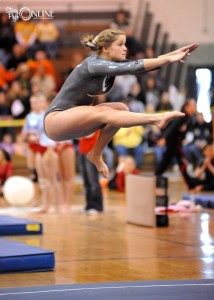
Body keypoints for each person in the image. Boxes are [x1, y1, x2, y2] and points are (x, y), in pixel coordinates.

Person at [43, 28, 198, 179]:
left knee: (121, 108)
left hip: (75, 121)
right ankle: (155, 119)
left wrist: (172, 55)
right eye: (120, 44)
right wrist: (167, 59)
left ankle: (96, 153)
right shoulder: (93, 64)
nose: (125, 48)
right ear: (105, 48)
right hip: (56, 120)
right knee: (105, 113)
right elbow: (135, 66)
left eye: (125, 44)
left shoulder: (108, 67)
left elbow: (138, 64)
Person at [154, 98, 202, 190]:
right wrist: (164, 139)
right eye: (193, 105)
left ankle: (154, 178)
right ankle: (190, 184)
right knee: (182, 163)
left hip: (176, 145)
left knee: (165, 163)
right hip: (173, 144)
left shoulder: (189, 118)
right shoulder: (182, 116)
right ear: (187, 106)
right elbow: (172, 128)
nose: (195, 107)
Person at [78, 130, 103, 215]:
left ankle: (96, 206)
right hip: (82, 151)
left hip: (91, 152)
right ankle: (89, 205)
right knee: (86, 181)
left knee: (93, 181)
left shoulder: (92, 122)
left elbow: (89, 134)